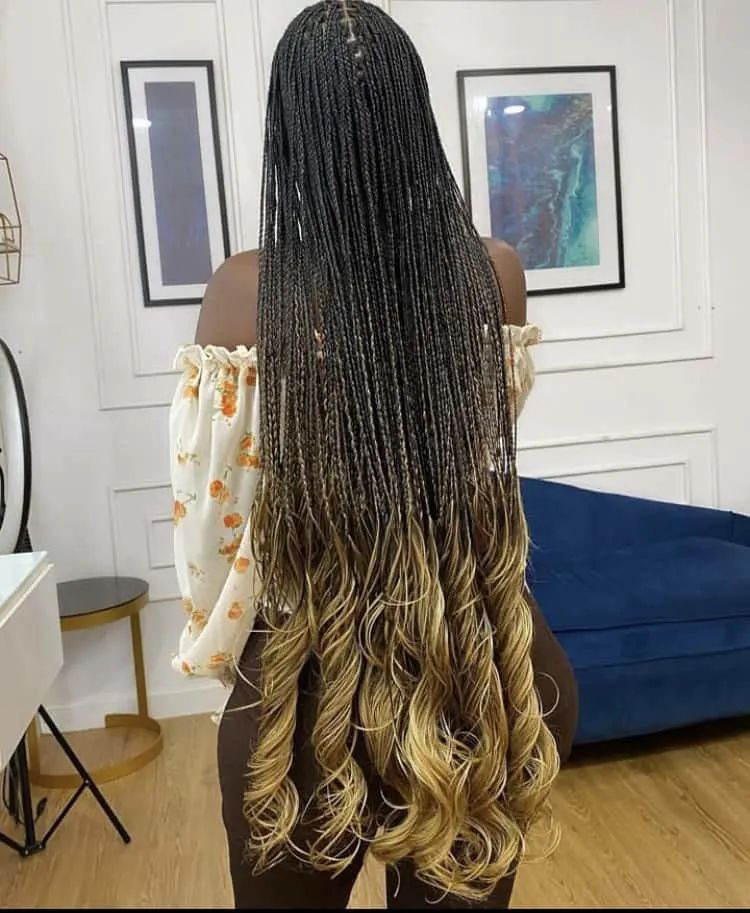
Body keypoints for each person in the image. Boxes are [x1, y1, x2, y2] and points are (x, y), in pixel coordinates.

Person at [169, 1, 578, 908]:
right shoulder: (494, 271)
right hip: (481, 667)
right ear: (413, 119)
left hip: (306, 690)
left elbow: (213, 520)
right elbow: (478, 465)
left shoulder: (247, 291)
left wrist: (223, 652)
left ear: (289, 133)